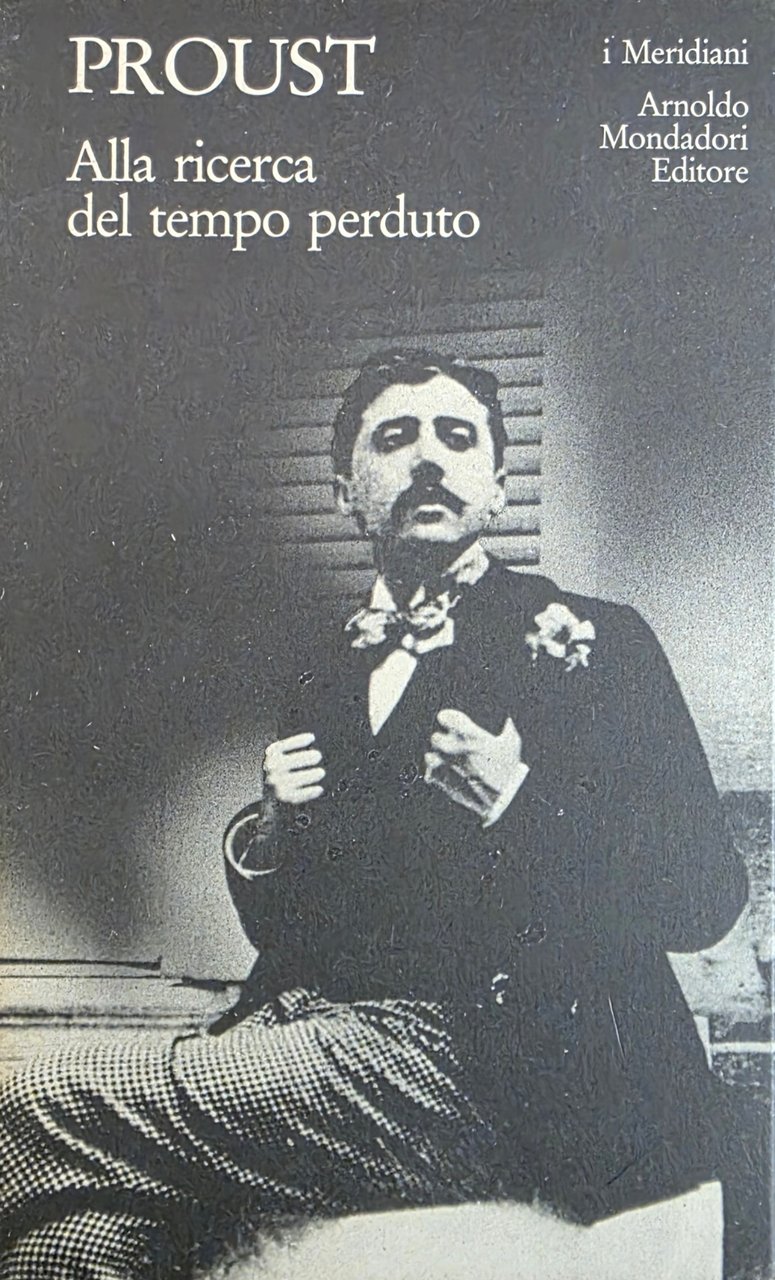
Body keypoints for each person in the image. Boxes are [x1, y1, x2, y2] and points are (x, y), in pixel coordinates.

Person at [0, 352, 760, 1279]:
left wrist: (519, 803)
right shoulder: (329, 664)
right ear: (345, 492)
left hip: (506, 1071)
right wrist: (270, 841)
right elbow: (307, 934)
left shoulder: (593, 640)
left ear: (497, 483)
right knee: (67, 1246)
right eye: (395, 439)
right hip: (325, 1048)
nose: (428, 458)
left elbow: (702, 898)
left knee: (31, 1100)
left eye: (456, 437)